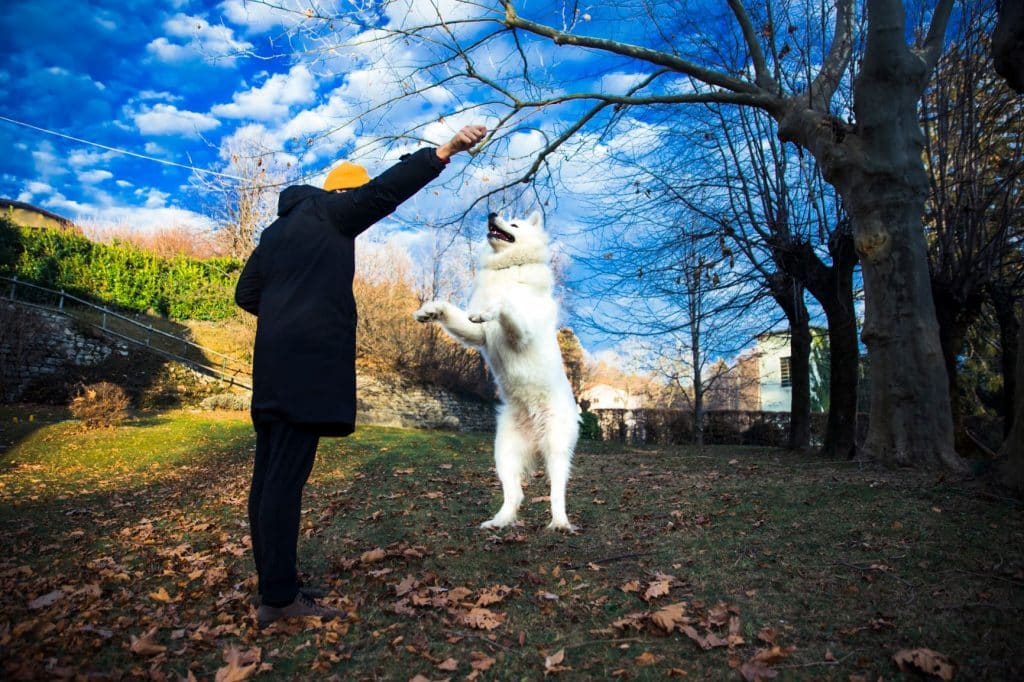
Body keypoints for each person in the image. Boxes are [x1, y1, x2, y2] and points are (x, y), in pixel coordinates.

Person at [235, 124, 487, 627]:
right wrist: (444, 151)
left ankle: (276, 585)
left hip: (271, 368)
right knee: (284, 482)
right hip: (305, 369)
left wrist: (287, 310)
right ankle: (279, 601)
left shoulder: (275, 233)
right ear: (343, 194)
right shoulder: (332, 212)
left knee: (268, 478)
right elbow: (386, 191)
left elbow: (245, 295)